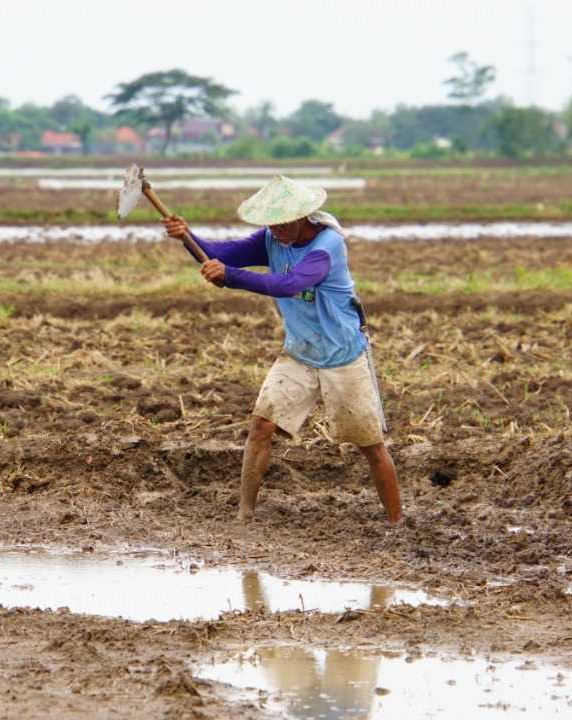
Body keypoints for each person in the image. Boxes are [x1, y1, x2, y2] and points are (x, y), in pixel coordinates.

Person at [163, 175, 403, 525]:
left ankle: (395, 522)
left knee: (369, 443)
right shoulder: (271, 238)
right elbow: (219, 254)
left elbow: (291, 284)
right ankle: (245, 515)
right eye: (270, 224)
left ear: (302, 216)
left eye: (281, 222)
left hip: (342, 355)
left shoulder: (328, 244)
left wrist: (231, 277)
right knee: (261, 426)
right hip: (299, 353)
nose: (274, 230)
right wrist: (186, 236)